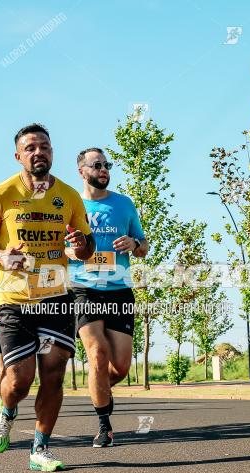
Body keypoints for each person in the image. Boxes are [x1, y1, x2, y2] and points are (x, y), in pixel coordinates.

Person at [0, 123, 94, 472]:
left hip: (56, 297)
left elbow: (85, 244)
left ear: (52, 152)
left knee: (53, 374)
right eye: (31, 147)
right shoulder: (2, 193)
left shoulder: (68, 196)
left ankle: (40, 449)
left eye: (45, 147)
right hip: (14, 299)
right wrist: (0, 255)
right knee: (19, 380)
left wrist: (83, 246)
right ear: (18, 155)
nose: (39, 152)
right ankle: (6, 412)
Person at [69, 147, 147, 447]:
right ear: (82, 171)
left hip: (119, 289)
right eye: (96, 165)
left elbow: (144, 247)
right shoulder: (71, 205)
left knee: (121, 367)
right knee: (98, 355)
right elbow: (60, 250)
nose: (103, 169)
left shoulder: (124, 204)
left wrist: (133, 242)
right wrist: (75, 250)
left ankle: (98, 389)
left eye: (106, 165)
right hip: (83, 289)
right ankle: (104, 425)